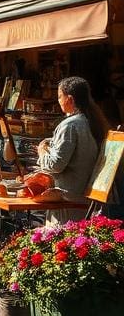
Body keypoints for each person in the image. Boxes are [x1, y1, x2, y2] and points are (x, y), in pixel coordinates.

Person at [37, 76, 109, 223]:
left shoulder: (70, 125)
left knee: (61, 241)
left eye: (59, 97)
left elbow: (56, 165)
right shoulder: (92, 121)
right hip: (86, 199)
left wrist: (42, 151)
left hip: (68, 200)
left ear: (69, 99)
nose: (58, 101)